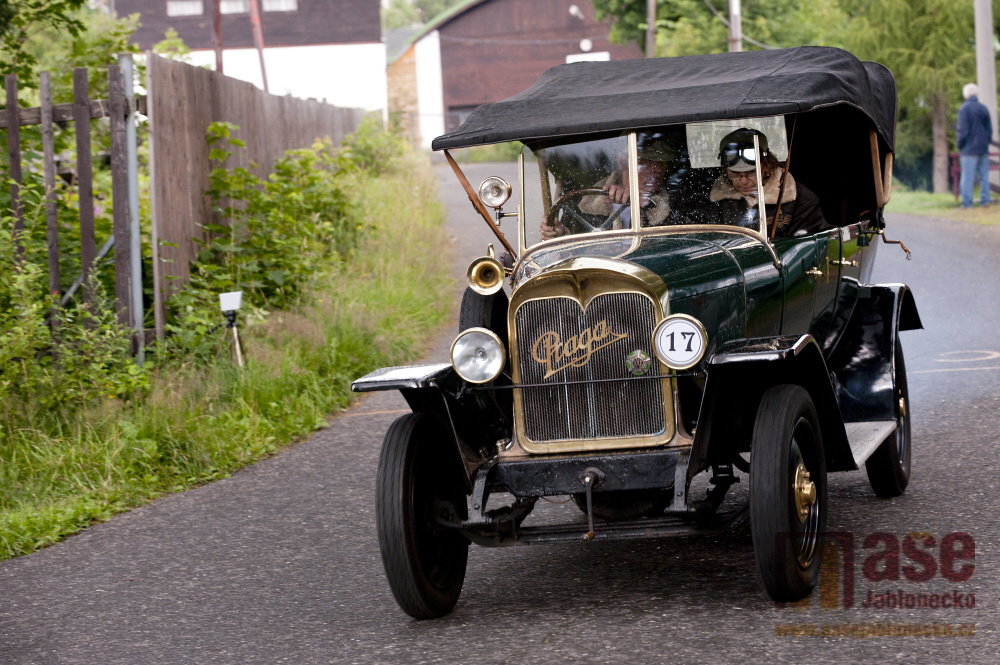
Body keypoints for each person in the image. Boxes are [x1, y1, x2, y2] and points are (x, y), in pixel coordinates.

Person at [541, 135, 674, 240]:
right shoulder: (583, 201)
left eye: (662, 162)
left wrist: (643, 204)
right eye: (647, 162)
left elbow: (673, 245)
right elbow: (572, 253)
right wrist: (560, 235)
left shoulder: (673, 203)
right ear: (622, 162)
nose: (658, 169)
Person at [707, 128, 829, 237]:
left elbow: (808, 245)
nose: (743, 181)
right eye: (734, 174)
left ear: (766, 166)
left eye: (752, 172)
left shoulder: (800, 200)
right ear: (725, 171)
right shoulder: (712, 202)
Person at [957, 83, 993, 208]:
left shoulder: (964, 109)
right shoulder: (983, 108)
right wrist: (986, 142)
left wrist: (960, 144)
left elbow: (962, 130)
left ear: (965, 94)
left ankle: (967, 203)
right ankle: (985, 200)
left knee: (967, 178)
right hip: (983, 148)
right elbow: (989, 130)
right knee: (984, 177)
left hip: (968, 149)